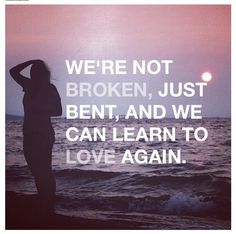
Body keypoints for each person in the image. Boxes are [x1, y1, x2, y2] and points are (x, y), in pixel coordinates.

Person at [9, 60, 62, 215]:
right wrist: (32, 61)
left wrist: (39, 109)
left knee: (45, 169)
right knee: (36, 170)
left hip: (43, 134)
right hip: (29, 133)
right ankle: (44, 200)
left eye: (37, 70)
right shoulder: (28, 85)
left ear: (43, 73)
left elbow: (58, 111)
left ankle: (49, 203)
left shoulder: (50, 88)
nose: (34, 72)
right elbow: (13, 71)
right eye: (33, 70)